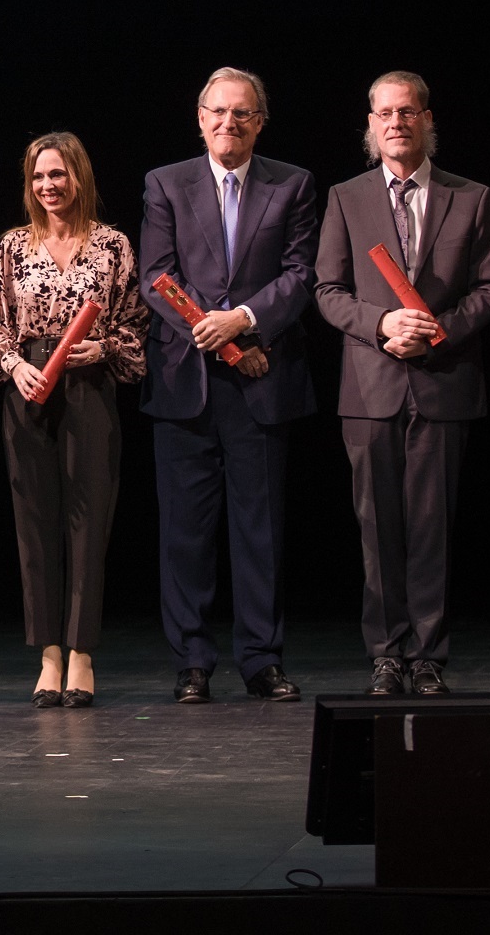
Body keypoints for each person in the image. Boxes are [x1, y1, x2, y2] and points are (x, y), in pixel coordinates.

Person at [314, 72, 490, 696]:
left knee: (432, 528)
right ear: (371, 124)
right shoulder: (347, 197)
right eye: (385, 113)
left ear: (426, 118)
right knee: (377, 528)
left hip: (442, 382)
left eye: (407, 111)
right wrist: (381, 324)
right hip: (370, 387)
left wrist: (436, 332)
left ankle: (428, 656)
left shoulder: (470, 197)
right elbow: (328, 290)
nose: (396, 122)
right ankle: (386, 654)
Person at [138, 68, 318, 706]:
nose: (228, 123)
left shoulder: (292, 184)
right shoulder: (166, 183)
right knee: (184, 533)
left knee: (259, 531)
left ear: (259, 122)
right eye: (217, 111)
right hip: (185, 383)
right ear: (200, 117)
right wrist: (211, 330)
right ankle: (192, 662)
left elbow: (300, 275)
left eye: (242, 113)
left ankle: (261, 661)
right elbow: (156, 276)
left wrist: (242, 321)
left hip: (263, 383)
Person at [0, 132, 148, 707]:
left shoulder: (112, 245)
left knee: (88, 521)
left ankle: (81, 653)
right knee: (34, 523)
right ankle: (48, 654)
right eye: (38, 176)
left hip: (88, 387)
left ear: (80, 176)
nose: (48, 186)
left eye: (58, 174)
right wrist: (12, 365)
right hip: (29, 384)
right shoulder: (12, 246)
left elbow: (135, 324)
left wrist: (105, 348)